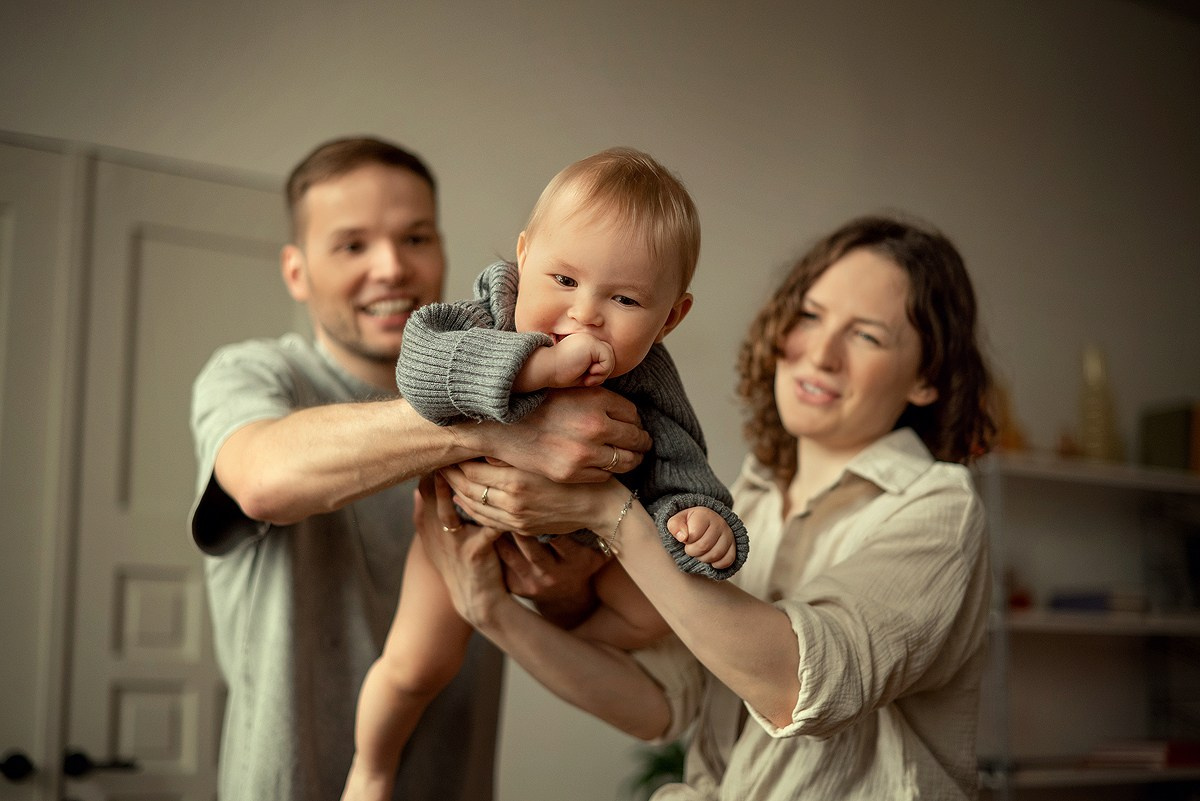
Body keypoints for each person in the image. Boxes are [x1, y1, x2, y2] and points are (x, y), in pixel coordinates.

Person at [417, 214, 997, 800]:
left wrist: (607, 511)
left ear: (927, 378)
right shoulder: (750, 499)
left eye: (867, 336)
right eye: (810, 316)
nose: (821, 354)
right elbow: (659, 703)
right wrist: (491, 611)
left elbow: (799, 687)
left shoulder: (938, 509)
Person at [188, 136, 653, 801]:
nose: (391, 268)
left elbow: (582, 633)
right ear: (296, 271)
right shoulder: (256, 374)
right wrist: (498, 423)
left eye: (415, 238)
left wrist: (562, 588)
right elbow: (263, 480)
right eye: (352, 245)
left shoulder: (512, 357)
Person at [342, 147, 750, 801]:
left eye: (624, 298)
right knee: (416, 666)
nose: (585, 313)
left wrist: (698, 516)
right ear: (524, 256)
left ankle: (562, 627)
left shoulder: (649, 379)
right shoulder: (489, 315)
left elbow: (680, 460)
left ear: (670, 317)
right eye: (563, 279)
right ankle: (371, 769)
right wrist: (537, 368)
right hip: (464, 531)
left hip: (577, 548)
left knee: (652, 613)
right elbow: (419, 366)